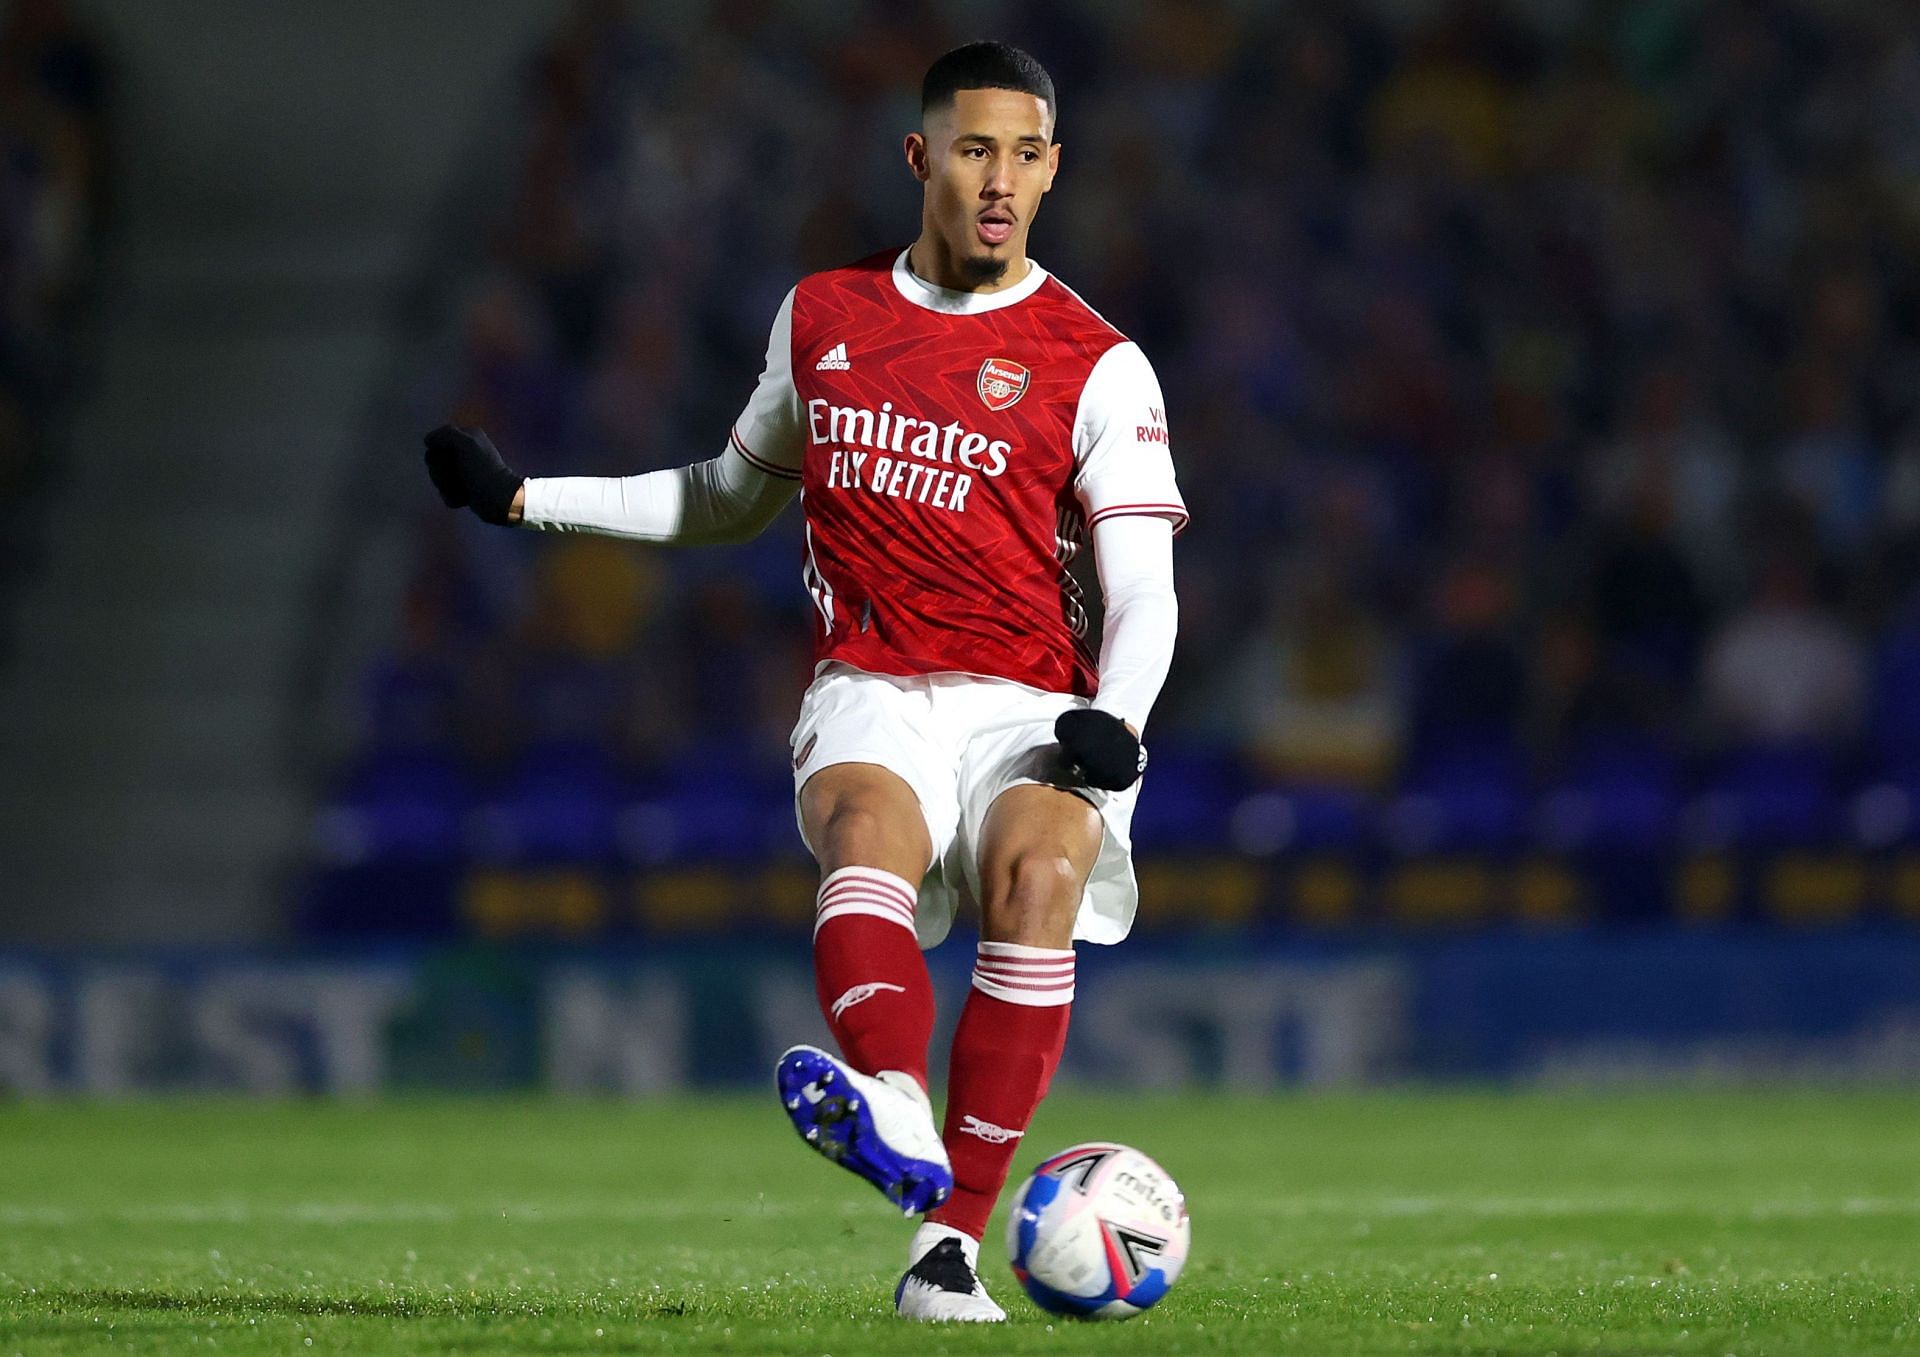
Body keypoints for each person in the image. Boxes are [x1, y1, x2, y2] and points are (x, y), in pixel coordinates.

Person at [424, 41, 1184, 1323]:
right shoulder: (825, 316)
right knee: (865, 838)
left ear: (1053, 171)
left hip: (1031, 702)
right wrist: (523, 499)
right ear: (921, 156)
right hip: (873, 677)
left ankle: (944, 1251)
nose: (998, 179)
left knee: (1039, 880)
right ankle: (892, 1097)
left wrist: (1119, 720)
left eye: (1025, 154)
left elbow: (1146, 582)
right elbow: (728, 497)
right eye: (974, 148)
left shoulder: (1097, 362)